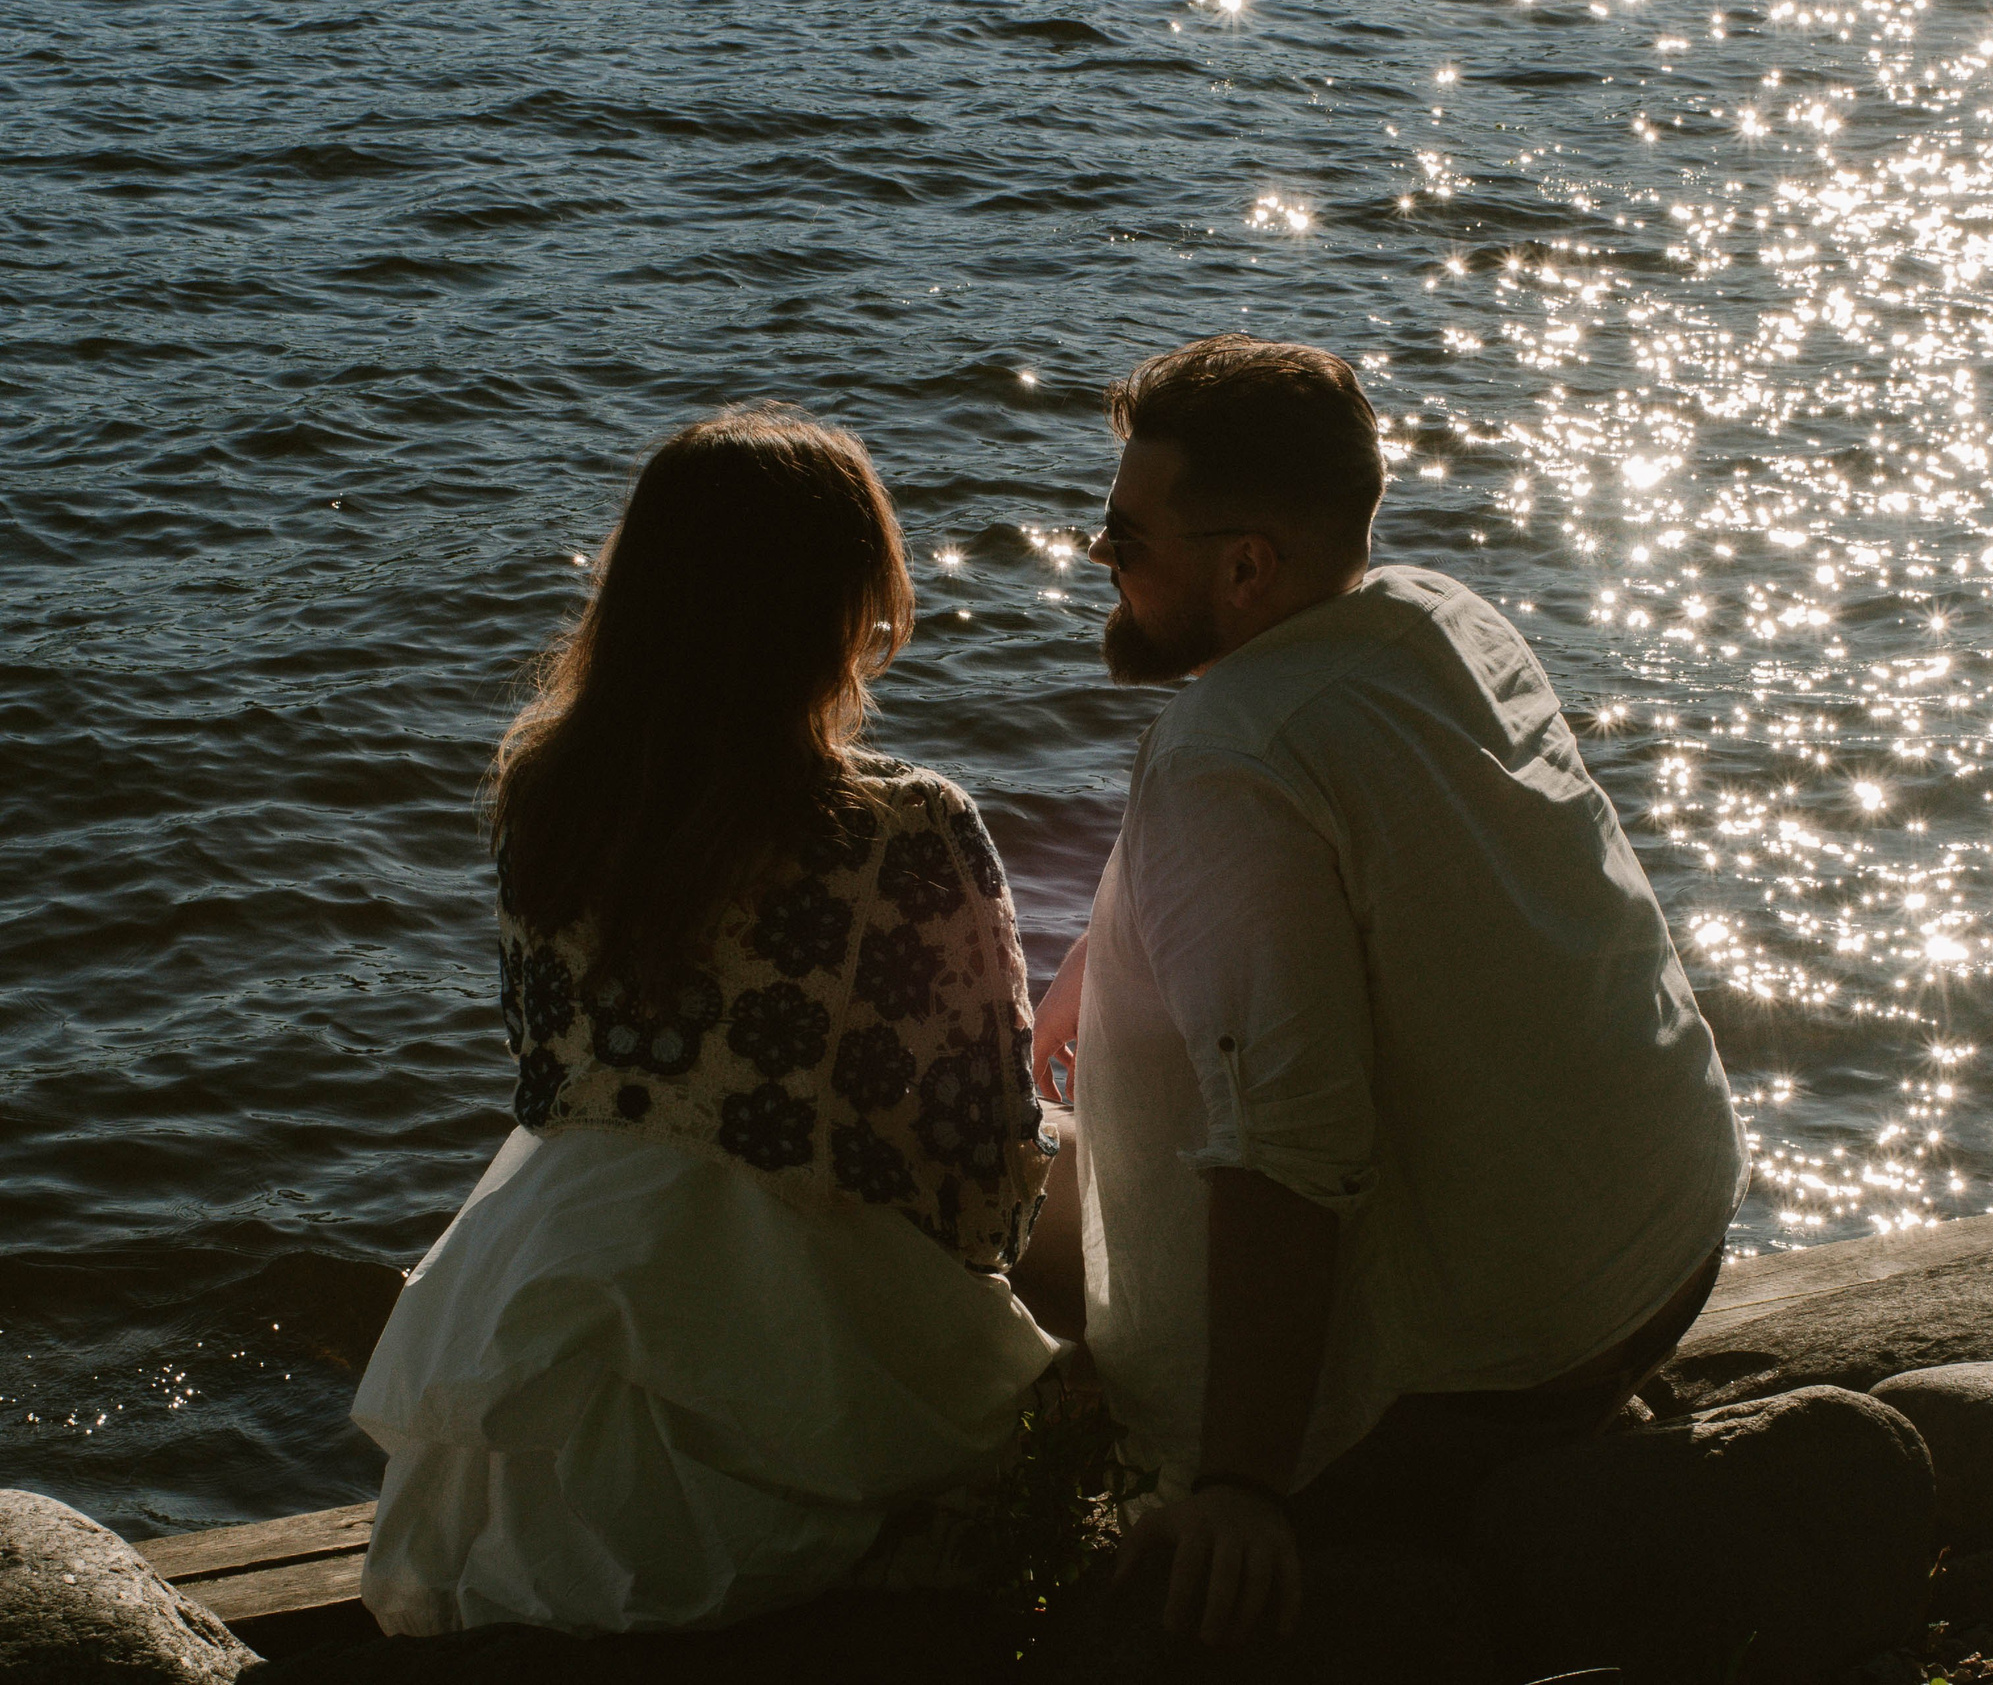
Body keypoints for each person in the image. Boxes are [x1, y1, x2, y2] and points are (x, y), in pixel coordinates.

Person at [1032, 335, 1750, 1647]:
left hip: (1495, 1373)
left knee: (1005, 1194)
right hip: (1657, 1250)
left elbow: (1289, 1149)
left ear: (1247, 565)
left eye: (1126, 535)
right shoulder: (1435, 617)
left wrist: (1241, 1484)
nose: (1098, 556)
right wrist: (1098, 954)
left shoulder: (1224, 757)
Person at [352, 403, 1072, 1635]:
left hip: (557, 1263)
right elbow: (980, 1155)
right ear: (837, 605)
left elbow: (545, 1076)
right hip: (778, 1322)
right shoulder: (903, 827)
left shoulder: (547, 792)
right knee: (1099, 1154)